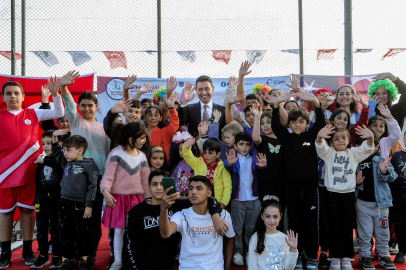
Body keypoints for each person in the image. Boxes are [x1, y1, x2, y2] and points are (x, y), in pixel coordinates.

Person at [0, 79, 64, 268]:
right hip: (4, 174)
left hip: (30, 172)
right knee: (5, 213)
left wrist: (56, 95)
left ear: (23, 96)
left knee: (28, 211)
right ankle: (4, 253)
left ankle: (27, 251)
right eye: (9, 93)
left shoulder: (33, 113)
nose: (13, 96)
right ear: (3, 97)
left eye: (16, 93)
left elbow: (59, 112)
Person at [123, 170, 226, 270]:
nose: (159, 188)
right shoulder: (135, 212)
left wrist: (215, 214)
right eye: (154, 184)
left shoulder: (177, 206)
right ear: (149, 187)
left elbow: (209, 199)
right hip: (140, 265)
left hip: (167, 265)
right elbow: (131, 246)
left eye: (162, 184)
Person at [59, 71, 111, 263]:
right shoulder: (76, 121)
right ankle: (71, 258)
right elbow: (69, 106)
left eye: (90, 105)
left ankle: (89, 256)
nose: (87, 108)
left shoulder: (106, 128)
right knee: (72, 223)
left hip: (97, 183)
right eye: (83, 106)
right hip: (75, 183)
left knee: (92, 222)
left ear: (97, 107)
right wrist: (64, 87)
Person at [271, 90, 326, 270]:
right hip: (291, 189)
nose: (297, 125)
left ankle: (311, 256)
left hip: (310, 188)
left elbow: (321, 122)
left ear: (306, 123)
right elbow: (275, 124)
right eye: (293, 122)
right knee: (293, 223)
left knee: (311, 223)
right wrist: (276, 105)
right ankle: (296, 254)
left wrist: (316, 104)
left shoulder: (312, 136)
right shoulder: (286, 138)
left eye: (301, 122)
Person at [316, 125, 375, 270]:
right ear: (331, 142)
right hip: (332, 195)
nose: (340, 141)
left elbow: (367, 149)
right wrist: (319, 136)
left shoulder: (353, 153)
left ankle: (347, 257)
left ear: (349, 140)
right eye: (336, 138)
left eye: (343, 138)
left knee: (347, 227)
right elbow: (320, 146)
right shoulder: (328, 153)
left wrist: (371, 137)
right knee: (334, 227)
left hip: (348, 195)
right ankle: (335, 257)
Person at [100, 122, 151, 270]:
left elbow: (145, 180)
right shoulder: (115, 154)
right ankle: (117, 260)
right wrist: (106, 192)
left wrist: (148, 199)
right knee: (119, 231)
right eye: (141, 138)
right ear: (130, 139)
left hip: (137, 199)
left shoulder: (142, 156)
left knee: (137, 230)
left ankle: (136, 256)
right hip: (118, 199)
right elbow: (108, 177)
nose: (144, 141)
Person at [159, 176, 235, 270]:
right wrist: (163, 209)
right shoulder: (181, 215)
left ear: (209, 193)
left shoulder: (223, 215)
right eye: (191, 188)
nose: (193, 192)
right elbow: (165, 233)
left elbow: (230, 239)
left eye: (199, 188)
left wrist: (227, 266)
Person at [51, 131, 99, 270]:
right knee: (66, 232)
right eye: (64, 149)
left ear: (80, 150)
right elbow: (56, 151)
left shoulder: (90, 166)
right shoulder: (66, 163)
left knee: (83, 232)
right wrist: (55, 136)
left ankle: (85, 259)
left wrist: (89, 205)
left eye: (68, 150)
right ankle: (69, 259)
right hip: (65, 203)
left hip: (81, 205)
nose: (65, 153)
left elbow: (93, 187)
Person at [355, 131, 398, 270]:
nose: (367, 147)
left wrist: (385, 171)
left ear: (377, 146)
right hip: (362, 204)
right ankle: (365, 256)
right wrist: (356, 182)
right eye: (363, 144)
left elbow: (393, 177)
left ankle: (384, 255)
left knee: (383, 231)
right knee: (365, 232)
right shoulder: (356, 161)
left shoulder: (381, 159)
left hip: (381, 204)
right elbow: (349, 182)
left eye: (370, 143)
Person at [224, 132, 267, 266]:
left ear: (250, 147)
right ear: (235, 146)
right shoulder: (233, 158)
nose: (244, 147)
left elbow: (261, 165)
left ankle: (249, 252)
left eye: (247, 145)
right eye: (241, 144)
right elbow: (227, 165)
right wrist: (230, 163)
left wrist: (263, 165)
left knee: (250, 228)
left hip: (253, 199)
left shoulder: (254, 158)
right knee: (237, 228)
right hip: (237, 200)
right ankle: (237, 252)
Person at [30, 130, 63, 269]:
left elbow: (58, 165)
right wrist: (37, 199)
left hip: (56, 200)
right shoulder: (41, 159)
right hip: (42, 199)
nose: (46, 146)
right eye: (44, 143)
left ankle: (57, 255)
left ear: (58, 143)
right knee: (41, 228)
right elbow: (38, 182)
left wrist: (43, 160)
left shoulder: (61, 158)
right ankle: (43, 255)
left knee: (55, 229)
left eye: (49, 143)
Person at [251, 108, 285, 221]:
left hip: (281, 183)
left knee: (279, 212)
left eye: (268, 122)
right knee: (265, 211)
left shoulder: (284, 139)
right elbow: (255, 138)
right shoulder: (263, 140)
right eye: (262, 123)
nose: (265, 126)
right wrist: (257, 117)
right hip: (265, 182)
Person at [248, 196, 298, 270]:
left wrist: (293, 249)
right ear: (262, 216)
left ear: (280, 216)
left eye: (275, 217)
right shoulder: (255, 238)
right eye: (268, 216)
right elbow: (252, 266)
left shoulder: (285, 239)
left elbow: (289, 268)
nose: (272, 221)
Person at [183, 138, 232, 208]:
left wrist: (224, 202)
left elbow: (227, 186)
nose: (207, 156)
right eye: (205, 153)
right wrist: (186, 147)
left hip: (216, 199)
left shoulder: (222, 167)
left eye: (210, 153)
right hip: (200, 198)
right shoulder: (198, 163)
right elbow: (188, 157)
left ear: (218, 154)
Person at [144, 87, 179, 164]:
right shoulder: (140, 133)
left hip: (162, 169)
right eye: (150, 115)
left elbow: (174, 124)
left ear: (160, 118)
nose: (153, 118)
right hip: (143, 168)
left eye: (156, 115)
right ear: (145, 117)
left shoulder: (165, 132)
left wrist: (171, 108)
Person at [389, 132, 406, 263]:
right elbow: (391, 176)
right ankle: (401, 250)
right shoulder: (396, 155)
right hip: (397, 194)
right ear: (404, 138)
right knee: (399, 224)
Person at [169, 131, 194, 199]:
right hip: (177, 198)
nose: (183, 152)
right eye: (181, 150)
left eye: (186, 149)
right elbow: (172, 180)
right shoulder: (176, 165)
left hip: (191, 198)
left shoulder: (194, 164)